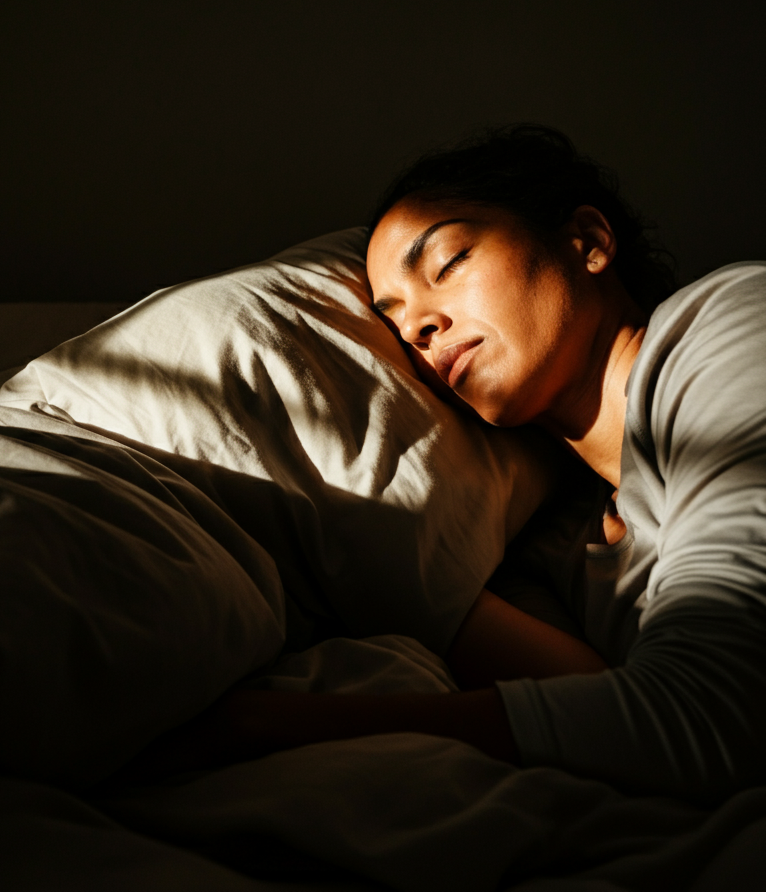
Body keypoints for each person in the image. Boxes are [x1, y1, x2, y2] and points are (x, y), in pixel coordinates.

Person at [128, 125, 766, 802]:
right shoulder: (547, 548)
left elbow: (716, 716)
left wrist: (266, 727)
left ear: (588, 242)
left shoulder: (733, 322)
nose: (419, 328)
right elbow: (597, 717)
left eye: (449, 262)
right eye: (395, 319)